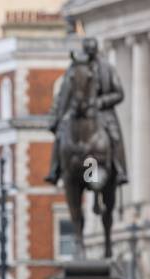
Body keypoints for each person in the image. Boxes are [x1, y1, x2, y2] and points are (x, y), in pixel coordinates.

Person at [45, 36, 128, 187]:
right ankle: (54, 169)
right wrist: (56, 118)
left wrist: (101, 101)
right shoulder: (75, 68)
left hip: (102, 111)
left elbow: (119, 93)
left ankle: (120, 169)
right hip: (78, 111)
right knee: (60, 136)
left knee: (114, 137)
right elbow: (63, 95)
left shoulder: (107, 68)